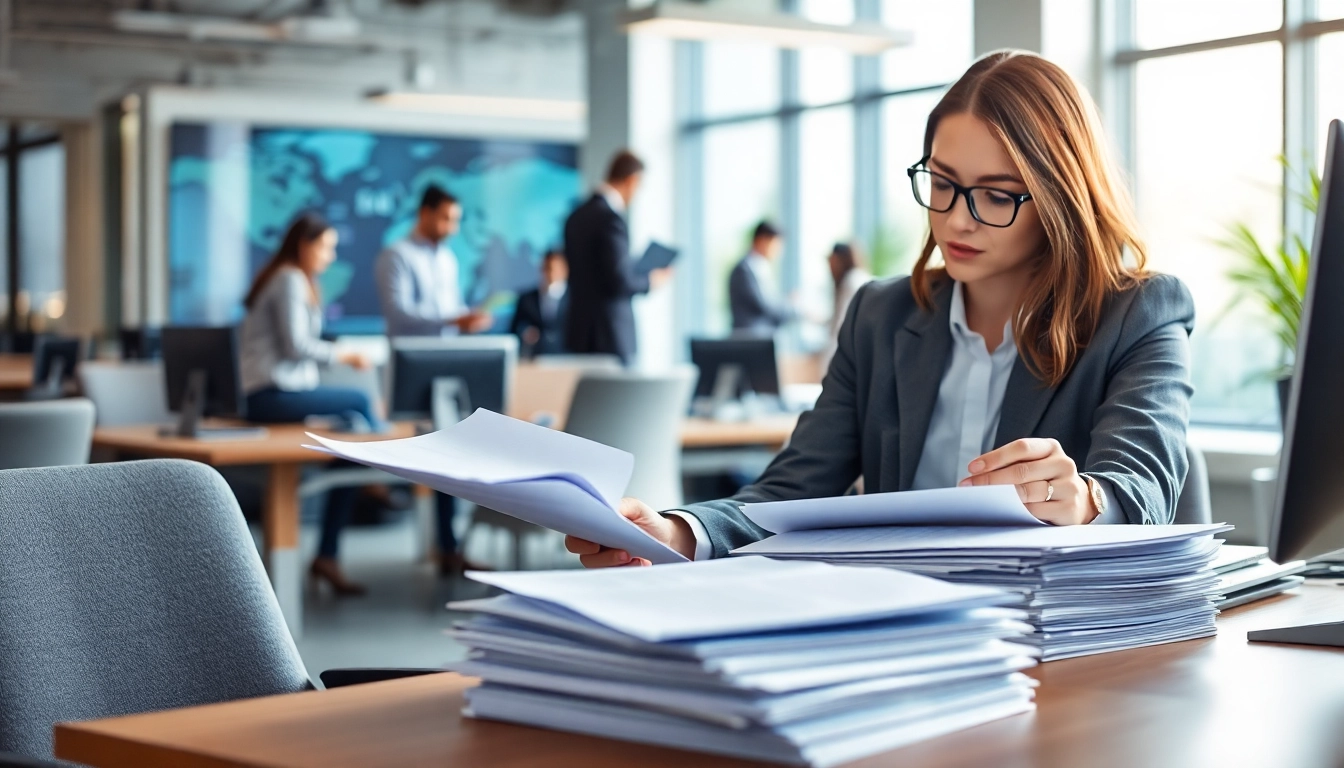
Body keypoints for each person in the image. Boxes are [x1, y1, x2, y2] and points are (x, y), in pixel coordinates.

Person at [565, 50, 1195, 567]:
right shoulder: (880, 315)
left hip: (1061, 644)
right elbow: (790, 490)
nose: (954, 218)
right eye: (942, 184)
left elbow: (1143, 485)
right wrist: (671, 532)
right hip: (898, 628)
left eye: (995, 196)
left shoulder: (1138, 312)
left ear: (1060, 197)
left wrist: (1083, 497)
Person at [240, 211, 377, 596]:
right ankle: (380, 474)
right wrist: (346, 355)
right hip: (269, 395)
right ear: (305, 244)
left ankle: (327, 556)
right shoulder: (287, 278)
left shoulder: (292, 278)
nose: (331, 256)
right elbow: (296, 346)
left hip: (278, 391)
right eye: (327, 247)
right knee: (358, 399)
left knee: (346, 450)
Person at [375, 184, 492, 575]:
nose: (451, 227)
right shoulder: (396, 255)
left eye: (456, 220)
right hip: (409, 368)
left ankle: (448, 547)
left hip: (446, 365)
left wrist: (465, 320)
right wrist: (450, 319)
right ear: (424, 213)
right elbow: (399, 314)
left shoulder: (448, 261)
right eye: (445, 218)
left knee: (449, 453)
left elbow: (448, 310)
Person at [563, 150, 673, 366]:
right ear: (632, 181)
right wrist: (651, 281)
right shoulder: (610, 220)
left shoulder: (575, 217)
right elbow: (619, 280)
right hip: (609, 335)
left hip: (578, 331)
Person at [729, 220, 796, 335]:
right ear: (762, 241)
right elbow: (765, 306)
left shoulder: (761, 268)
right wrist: (792, 307)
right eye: (776, 245)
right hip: (750, 341)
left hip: (762, 338)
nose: (779, 251)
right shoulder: (743, 271)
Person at [820, 242, 873, 372]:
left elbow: (841, 323)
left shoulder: (851, 281)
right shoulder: (857, 278)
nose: (830, 268)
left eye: (832, 261)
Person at [510, 249, 569, 359]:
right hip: (535, 360)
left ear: (564, 270)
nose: (550, 273)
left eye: (553, 269)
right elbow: (514, 329)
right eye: (546, 268)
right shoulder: (526, 299)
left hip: (568, 359)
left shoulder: (575, 300)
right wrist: (525, 332)